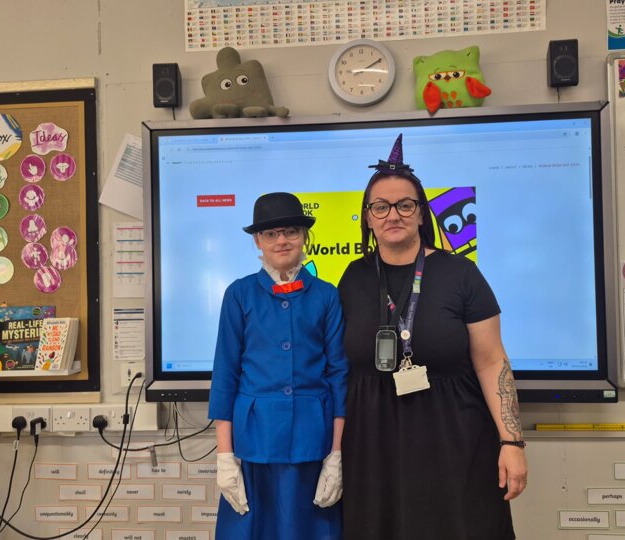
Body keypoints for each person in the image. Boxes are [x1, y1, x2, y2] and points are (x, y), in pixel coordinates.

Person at [337, 135, 527, 540]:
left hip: (454, 440)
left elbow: (492, 361)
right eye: (380, 206)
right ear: (367, 217)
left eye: (405, 205)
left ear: (422, 213)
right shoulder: (352, 277)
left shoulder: (461, 274)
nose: (393, 215)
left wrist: (512, 442)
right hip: (373, 445)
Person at [208, 192, 348, 540]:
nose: (281, 240)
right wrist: (225, 456)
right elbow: (225, 374)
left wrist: (336, 454)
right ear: (258, 241)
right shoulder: (239, 294)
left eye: (291, 231)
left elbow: (338, 375)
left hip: (313, 440)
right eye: (270, 234)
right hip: (254, 440)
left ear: (304, 236)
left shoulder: (327, 295)